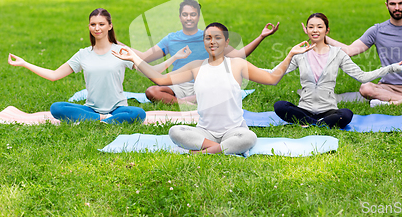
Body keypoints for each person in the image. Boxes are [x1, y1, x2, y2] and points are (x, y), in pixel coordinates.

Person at [112, 22, 314, 154]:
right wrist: (133, 58)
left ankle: (204, 153)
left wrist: (291, 55)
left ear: (226, 42)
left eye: (217, 37)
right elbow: (159, 79)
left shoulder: (237, 65)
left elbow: (272, 79)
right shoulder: (196, 67)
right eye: (208, 38)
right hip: (204, 131)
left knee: (249, 137)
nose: (212, 41)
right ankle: (217, 149)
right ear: (204, 42)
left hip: (234, 130)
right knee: (175, 131)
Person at [7, 8, 186, 124]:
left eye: (101, 24)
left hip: (118, 108)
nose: (97, 28)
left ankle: (98, 120)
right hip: (91, 108)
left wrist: (174, 58)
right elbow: (54, 75)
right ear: (89, 27)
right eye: (93, 24)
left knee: (138, 113)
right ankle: (103, 119)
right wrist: (25, 63)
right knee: (56, 108)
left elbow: (152, 72)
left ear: (110, 26)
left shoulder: (122, 51)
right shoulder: (83, 54)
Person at [126, 0, 280, 104]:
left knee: (219, 92)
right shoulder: (170, 39)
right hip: (177, 85)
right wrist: (115, 44)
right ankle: (187, 103)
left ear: (198, 16)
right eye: (185, 14)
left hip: (204, 84)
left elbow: (239, 55)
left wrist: (261, 37)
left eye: (193, 14)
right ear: (179, 17)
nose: (189, 18)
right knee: (152, 91)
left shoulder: (209, 37)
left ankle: (189, 101)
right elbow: (145, 58)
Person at [274, 13, 402, 128]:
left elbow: (363, 76)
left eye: (319, 27)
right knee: (280, 106)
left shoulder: (338, 54)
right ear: (306, 30)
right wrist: (252, 70)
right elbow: (274, 73)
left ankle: (310, 123)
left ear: (327, 31)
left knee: (346, 115)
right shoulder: (299, 54)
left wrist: (391, 68)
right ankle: (317, 123)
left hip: (328, 111)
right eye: (311, 27)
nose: (315, 30)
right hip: (304, 109)